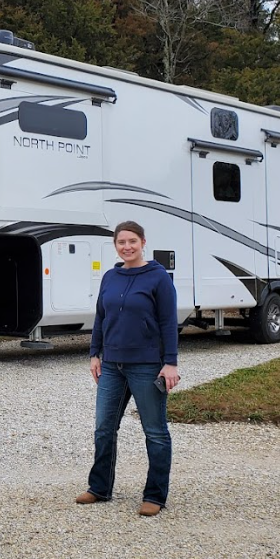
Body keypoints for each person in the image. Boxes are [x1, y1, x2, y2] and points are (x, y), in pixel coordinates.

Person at [77, 220, 180, 517]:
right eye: (121, 242)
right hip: (111, 365)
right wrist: (95, 353)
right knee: (103, 429)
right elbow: (101, 316)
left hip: (147, 365)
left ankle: (155, 496)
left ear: (143, 242)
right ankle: (99, 488)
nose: (127, 247)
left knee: (155, 432)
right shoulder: (111, 276)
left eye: (132, 241)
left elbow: (167, 323)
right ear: (115, 245)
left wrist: (170, 363)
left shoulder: (158, 278)